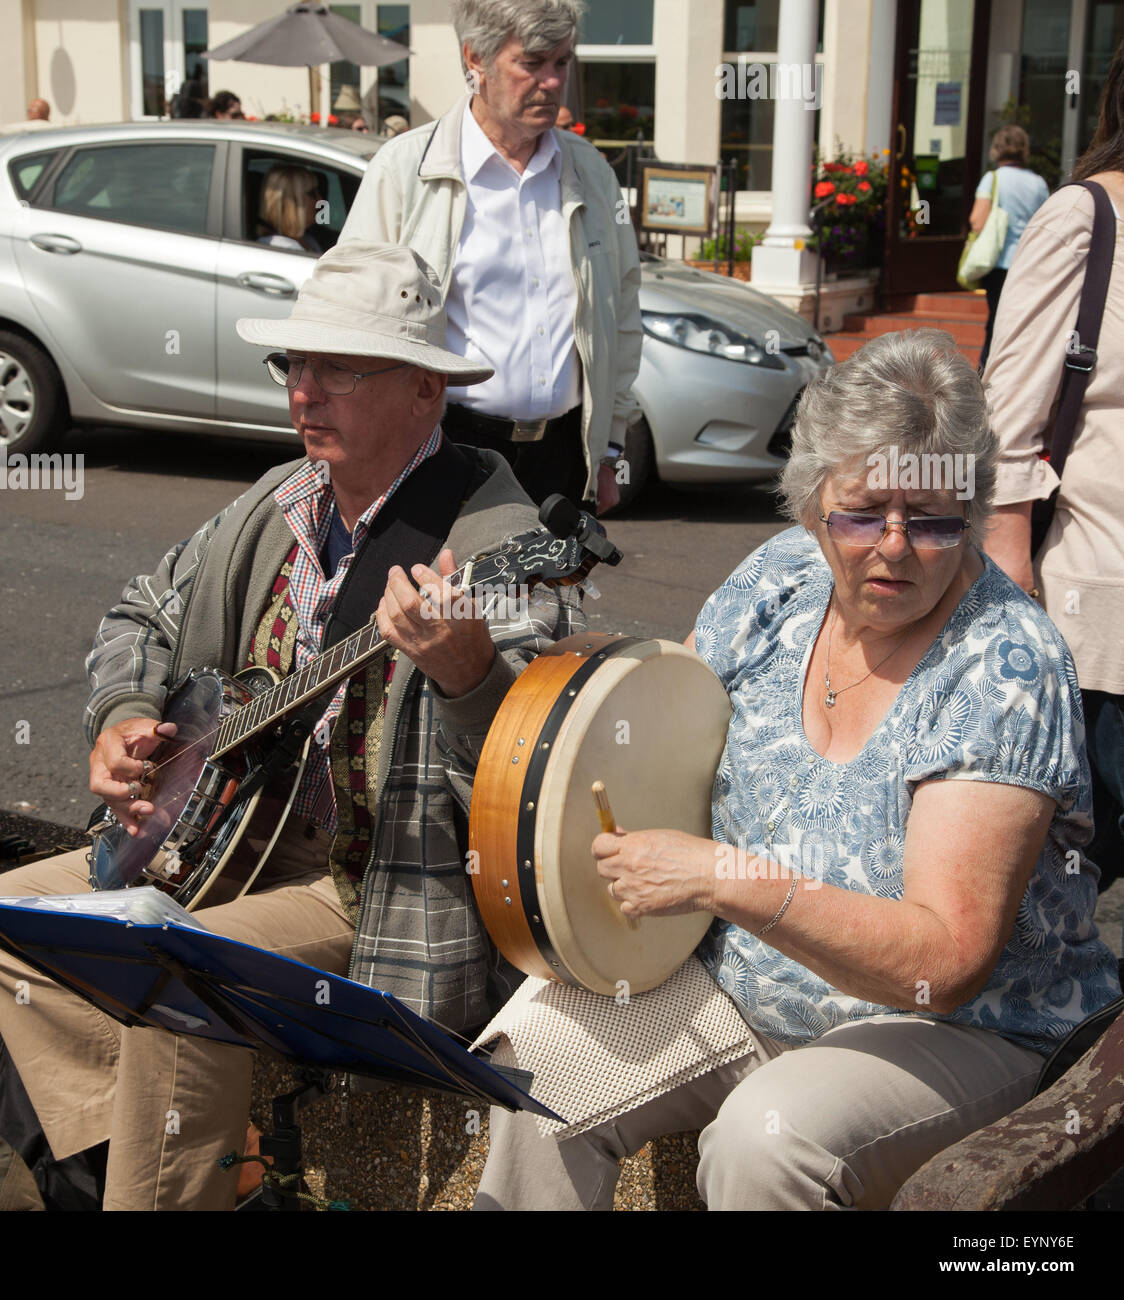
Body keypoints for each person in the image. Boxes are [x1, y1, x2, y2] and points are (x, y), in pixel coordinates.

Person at [0, 242, 586, 1211]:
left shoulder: (495, 544)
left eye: (338, 368)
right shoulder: (278, 499)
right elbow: (143, 613)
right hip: (217, 840)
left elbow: (532, 772)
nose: (304, 392)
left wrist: (463, 670)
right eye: (295, 365)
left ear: (425, 389)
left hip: (365, 880)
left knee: (177, 979)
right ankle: (160, 1167)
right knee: (3, 918)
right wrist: (124, 715)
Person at [473, 329, 1121, 1211]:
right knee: (528, 1068)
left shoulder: (1004, 665)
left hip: (962, 1028)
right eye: (862, 513)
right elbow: (663, 729)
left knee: (765, 1140)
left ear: (967, 512)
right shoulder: (777, 579)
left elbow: (946, 958)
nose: (894, 547)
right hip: (746, 986)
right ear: (812, 500)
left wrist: (722, 877)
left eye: (931, 521)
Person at [340, 0, 641, 514]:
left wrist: (609, 451)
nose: (551, 81)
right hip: (446, 448)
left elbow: (622, 311)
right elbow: (354, 322)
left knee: (544, 599)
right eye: (532, 63)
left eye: (562, 63)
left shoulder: (591, 171)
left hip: (561, 458)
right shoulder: (405, 170)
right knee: (446, 597)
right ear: (474, 58)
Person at [984, 40, 1124, 904]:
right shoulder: (1086, 218)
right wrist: (1011, 578)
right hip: (1101, 622)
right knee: (1059, 895)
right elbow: (1005, 425)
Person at [968, 124, 1048, 369]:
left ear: (997, 149)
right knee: (1021, 322)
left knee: (996, 321)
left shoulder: (992, 179)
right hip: (1028, 262)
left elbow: (977, 220)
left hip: (999, 262)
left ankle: (987, 374)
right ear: (1023, 150)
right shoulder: (1039, 183)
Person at [257, 165, 324, 251]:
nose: (320, 199)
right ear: (290, 204)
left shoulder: (308, 240)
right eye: (312, 193)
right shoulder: (280, 249)